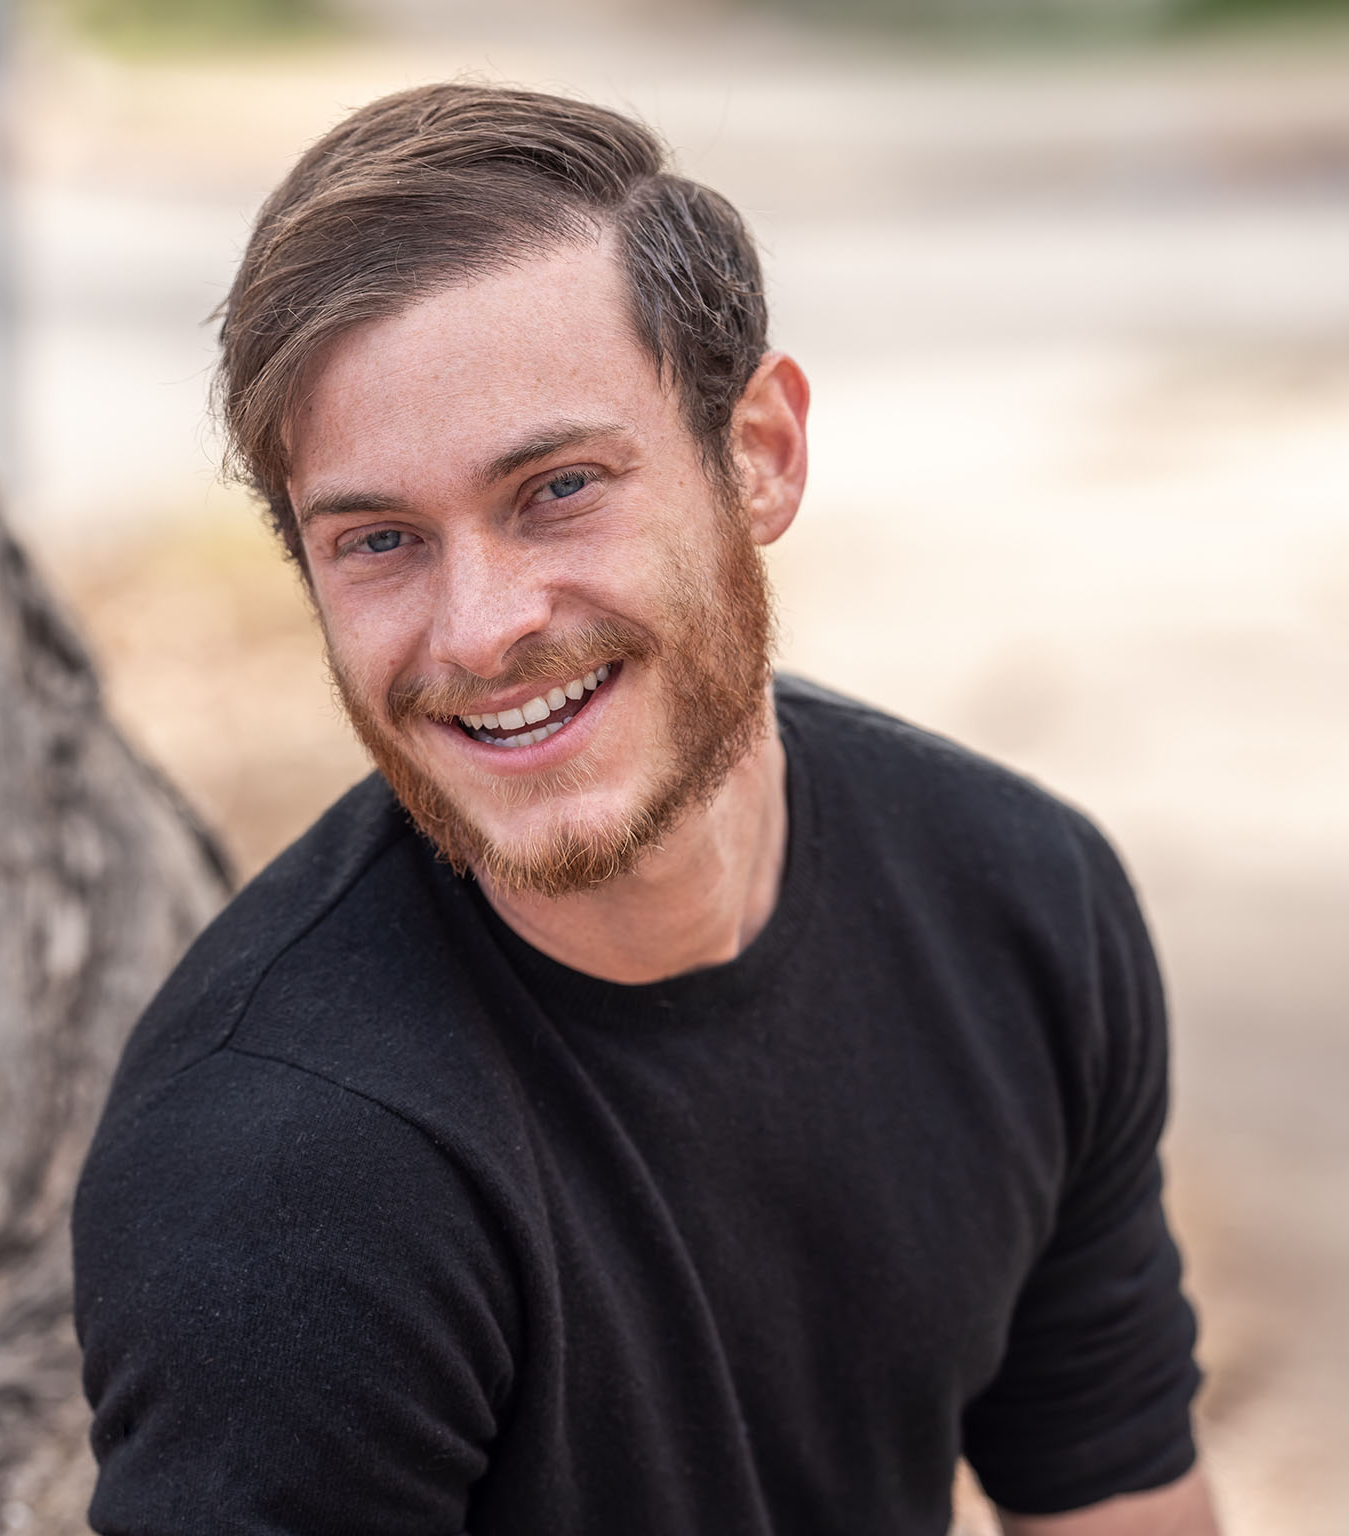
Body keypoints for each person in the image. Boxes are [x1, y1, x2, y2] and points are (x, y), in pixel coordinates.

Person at [71, 83, 1216, 1535]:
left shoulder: (1016, 901)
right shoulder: (283, 1179)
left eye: (556, 488)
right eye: (379, 540)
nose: (480, 631)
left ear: (760, 455)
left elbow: (1117, 1490)